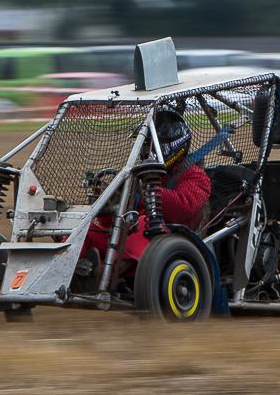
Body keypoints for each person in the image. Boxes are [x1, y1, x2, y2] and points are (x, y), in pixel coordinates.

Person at [81, 108, 211, 280]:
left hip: (169, 241)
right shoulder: (140, 176)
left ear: (173, 147)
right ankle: (63, 270)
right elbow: (110, 222)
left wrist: (145, 186)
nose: (146, 153)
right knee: (82, 228)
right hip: (128, 236)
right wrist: (108, 202)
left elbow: (182, 208)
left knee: (143, 223)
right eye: (145, 147)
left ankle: (107, 275)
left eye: (152, 147)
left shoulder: (196, 176)